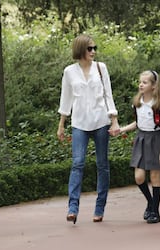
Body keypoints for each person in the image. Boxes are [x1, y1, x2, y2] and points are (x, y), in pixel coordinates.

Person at [57, 34, 119, 224]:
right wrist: (61, 124)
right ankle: (72, 208)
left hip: (101, 121)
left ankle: (99, 208)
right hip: (79, 124)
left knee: (102, 165)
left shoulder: (101, 68)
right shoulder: (69, 72)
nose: (93, 51)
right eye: (89, 48)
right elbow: (66, 99)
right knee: (77, 163)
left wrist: (114, 120)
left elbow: (108, 95)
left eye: (95, 48)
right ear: (80, 50)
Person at [118, 70, 160, 224]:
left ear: (153, 86)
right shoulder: (137, 102)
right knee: (139, 177)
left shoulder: (159, 105)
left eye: (145, 82)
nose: (141, 84)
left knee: (154, 177)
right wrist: (122, 129)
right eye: (140, 82)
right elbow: (137, 123)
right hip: (141, 138)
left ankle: (155, 211)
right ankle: (150, 202)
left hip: (156, 139)